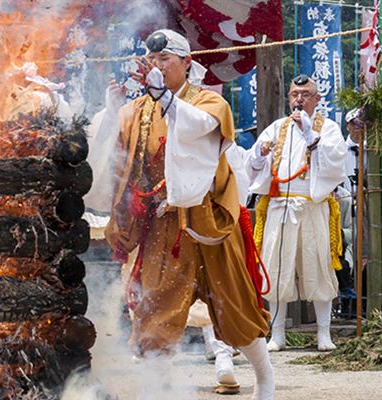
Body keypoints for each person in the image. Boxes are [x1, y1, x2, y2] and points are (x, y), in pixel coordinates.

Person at [101, 29, 274, 399]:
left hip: (208, 224)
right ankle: (157, 391)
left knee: (237, 308)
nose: (157, 66)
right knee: (154, 316)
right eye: (152, 60)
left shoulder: (210, 102)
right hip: (162, 227)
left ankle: (265, 378)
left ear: (187, 63)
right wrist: (111, 108)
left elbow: (196, 131)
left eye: (165, 60)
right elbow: (111, 157)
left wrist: (164, 96)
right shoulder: (136, 110)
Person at [246, 75, 350, 352]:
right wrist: (259, 153)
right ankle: (277, 334)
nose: (299, 99)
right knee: (275, 268)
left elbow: (336, 163)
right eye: (295, 94)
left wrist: (309, 136)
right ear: (289, 98)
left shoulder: (327, 128)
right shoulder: (278, 127)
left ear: (317, 98)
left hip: (312, 206)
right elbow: (253, 163)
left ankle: (323, 333)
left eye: (305, 94)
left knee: (318, 267)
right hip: (280, 206)